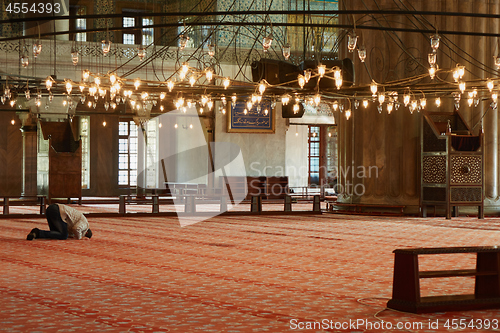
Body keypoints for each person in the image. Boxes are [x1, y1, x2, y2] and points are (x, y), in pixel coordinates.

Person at [27, 203, 92, 240]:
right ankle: (38, 232)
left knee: (56, 234)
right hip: (57, 211)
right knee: (63, 235)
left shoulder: (81, 219)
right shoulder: (85, 224)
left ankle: (35, 234)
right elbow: (76, 228)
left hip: (51, 208)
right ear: (86, 233)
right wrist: (80, 238)